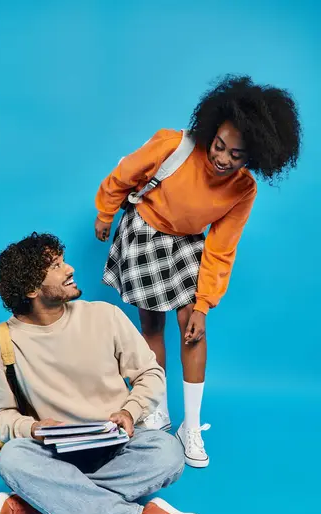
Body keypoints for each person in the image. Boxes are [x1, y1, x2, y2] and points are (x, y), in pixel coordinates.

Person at [94, 74, 302, 468]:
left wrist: (204, 305)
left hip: (187, 244)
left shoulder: (243, 190)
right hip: (146, 233)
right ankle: (156, 407)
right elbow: (124, 174)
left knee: (192, 326)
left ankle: (190, 425)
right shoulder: (175, 145)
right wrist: (105, 212)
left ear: (254, 157)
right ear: (210, 131)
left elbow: (222, 249)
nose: (222, 158)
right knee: (151, 327)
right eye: (219, 146)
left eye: (236, 155)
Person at [0, 232, 221, 514]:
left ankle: (40, 505)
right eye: (56, 265)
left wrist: (130, 412)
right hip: (52, 455)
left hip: (117, 448)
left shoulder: (104, 317)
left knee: (168, 453)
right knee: (11, 459)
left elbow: (151, 374)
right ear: (31, 289)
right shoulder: (0, 342)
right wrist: (33, 428)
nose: (70, 269)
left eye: (63, 260)